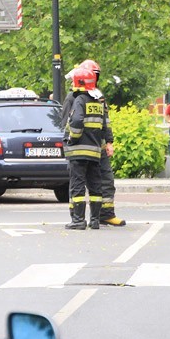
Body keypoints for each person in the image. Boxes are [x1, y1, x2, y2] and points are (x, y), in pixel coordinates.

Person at [61, 59, 125, 226]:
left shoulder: (97, 96)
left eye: (96, 75)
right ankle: (77, 216)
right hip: (80, 146)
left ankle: (105, 214)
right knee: (78, 183)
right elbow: (68, 123)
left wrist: (109, 141)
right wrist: (71, 141)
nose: (95, 78)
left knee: (104, 181)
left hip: (97, 145)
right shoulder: (73, 97)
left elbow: (105, 121)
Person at [63, 67, 106, 230]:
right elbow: (103, 125)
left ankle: (78, 220)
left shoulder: (80, 99)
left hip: (79, 150)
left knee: (78, 184)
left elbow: (76, 122)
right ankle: (95, 220)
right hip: (94, 151)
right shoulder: (98, 101)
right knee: (95, 185)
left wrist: (72, 138)